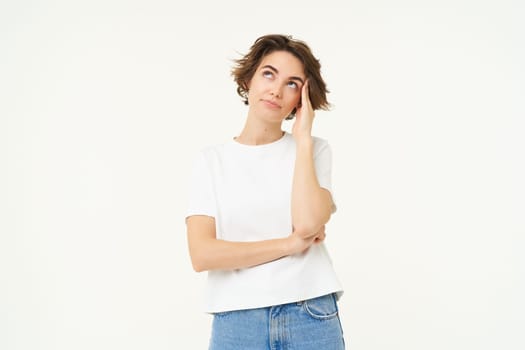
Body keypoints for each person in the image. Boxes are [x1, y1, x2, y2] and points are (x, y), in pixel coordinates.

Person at [185, 34, 345, 349]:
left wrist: (302, 139)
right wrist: (289, 244)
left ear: (303, 97)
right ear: (248, 79)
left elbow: (308, 224)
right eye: (269, 74)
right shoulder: (211, 161)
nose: (276, 89)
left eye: (292, 83)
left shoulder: (314, 150)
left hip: (310, 312)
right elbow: (202, 254)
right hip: (237, 318)